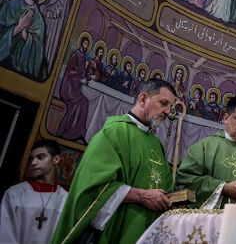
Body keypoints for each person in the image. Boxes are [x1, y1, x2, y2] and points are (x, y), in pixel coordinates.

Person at [51, 79, 176, 244]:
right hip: (113, 231)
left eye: (170, 107)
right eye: (164, 103)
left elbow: (164, 187)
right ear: (143, 99)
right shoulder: (113, 132)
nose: (168, 111)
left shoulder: (157, 145)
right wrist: (141, 196)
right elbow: (92, 189)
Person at [0, 140, 68, 244]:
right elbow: (5, 234)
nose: (33, 162)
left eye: (41, 157)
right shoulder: (15, 194)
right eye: (31, 159)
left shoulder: (65, 199)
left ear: (56, 159)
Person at [0, 0, 50, 79]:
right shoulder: (11, 5)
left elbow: (38, 51)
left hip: (18, 69)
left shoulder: (38, 20)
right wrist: (17, 28)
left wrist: (25, 35)